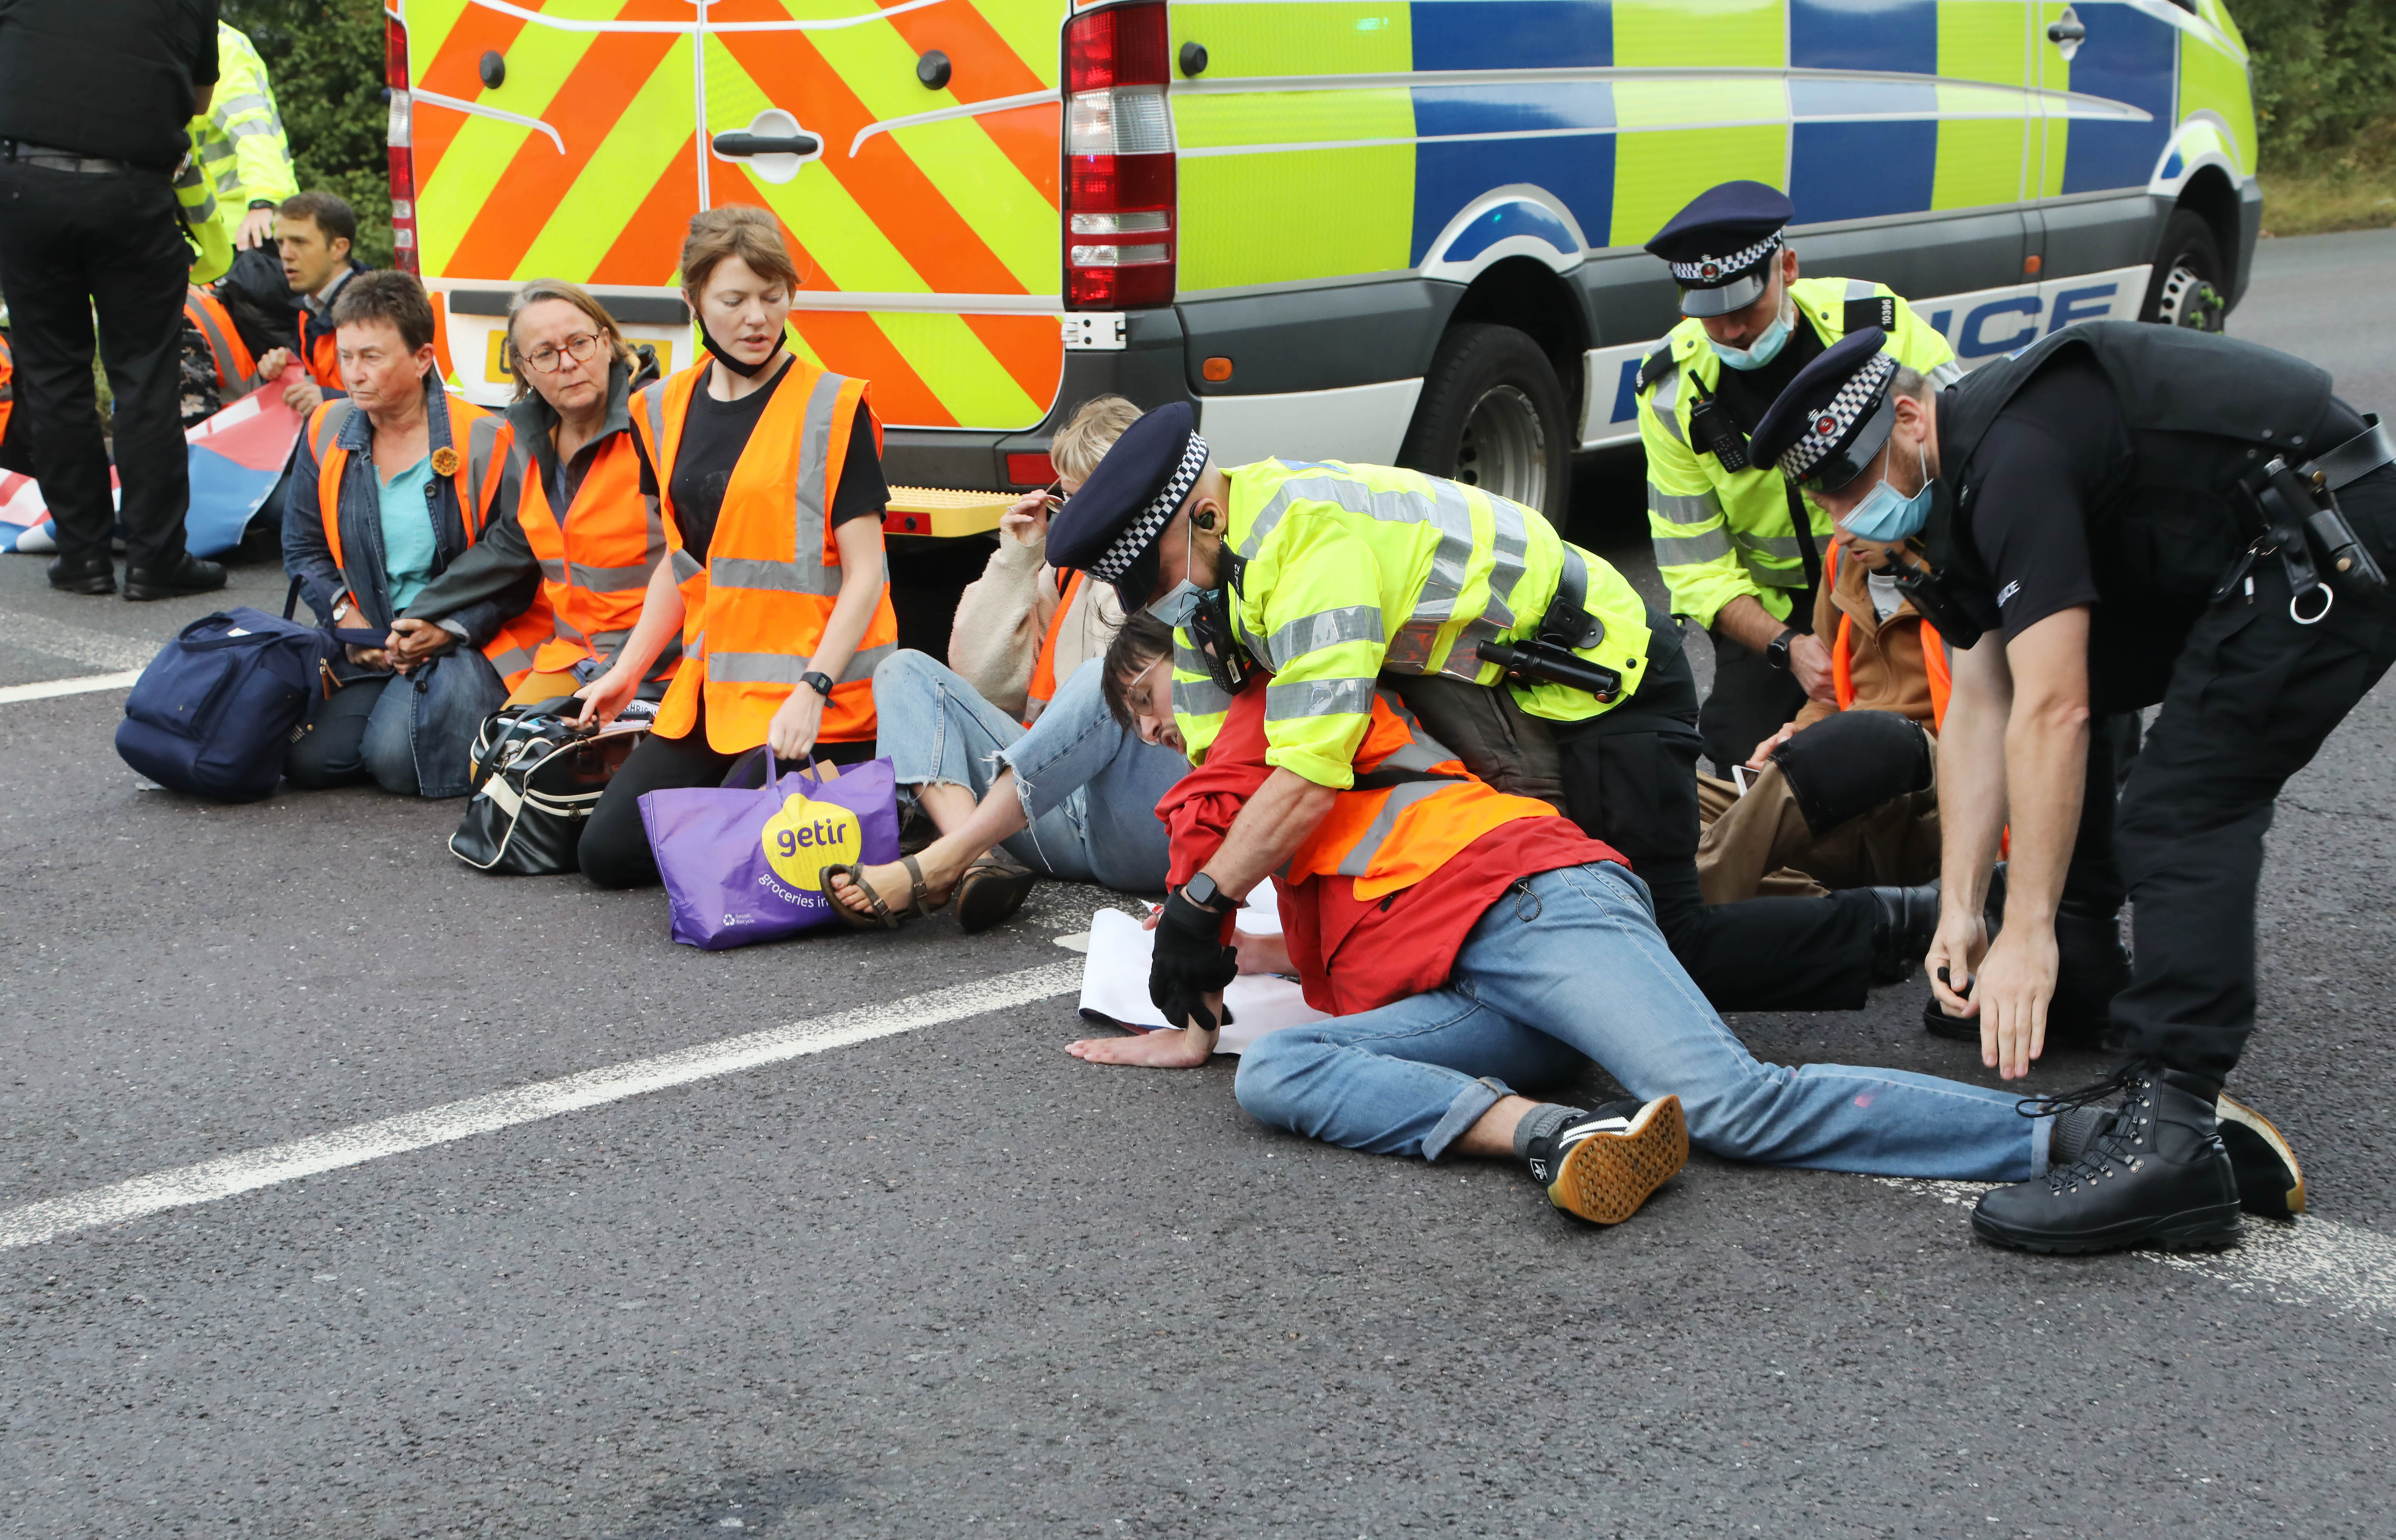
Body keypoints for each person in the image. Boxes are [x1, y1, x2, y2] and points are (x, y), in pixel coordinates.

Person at [1067, 614, 2079, 1229]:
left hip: (1536, 906)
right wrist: (1254, 951)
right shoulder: (1261, 748)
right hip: (1476, 976)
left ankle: (2067, 1135)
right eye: (1143, 725)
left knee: (1730, 1105)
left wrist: (1191, 994)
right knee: (1279, 1071)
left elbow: (1197, 836)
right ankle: (1559, 1136)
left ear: (1200, 668)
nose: (1158, 729)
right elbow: (1381, 889)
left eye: (1152, 698)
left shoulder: (1274, 711)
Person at [1746, 322, 2364, 1253]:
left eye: (1849, 479)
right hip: (2225, 541)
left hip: (2328, 529)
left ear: (1909, 418)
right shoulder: (1941, 492)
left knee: (2180, 802)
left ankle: (2173, 1139)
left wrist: (2024, 928)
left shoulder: (2011, 457)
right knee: (2068, 681)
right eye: (1823, 493)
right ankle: (2080, 969)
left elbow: (2051, 710)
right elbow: (1978, 708)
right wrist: (1962, 907)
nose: (1844, 513)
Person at [1045, 404, 1941, 1019]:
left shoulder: (1308, 548)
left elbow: (1307, 773)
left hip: (1608, 682)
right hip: (1516, 700)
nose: (1156, 601)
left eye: (1154, 573)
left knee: (1669, 944)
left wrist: (1210, 904)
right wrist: (1191, 900)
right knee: (1605, 907)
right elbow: (1221, 767)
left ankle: (1917, 926)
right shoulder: (1212, 572)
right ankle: (1847, 868)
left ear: (1200, 513)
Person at [571, 207, 899, 890]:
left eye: (772, 296)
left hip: (819, 700)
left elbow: (867, 574)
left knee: (732, 857)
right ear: (692, 301)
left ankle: (878, 799)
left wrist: (813, 688)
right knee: (607, 855)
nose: (758, 317)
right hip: (714, 692)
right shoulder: (658, 407)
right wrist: (626, 673)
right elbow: (682, 561)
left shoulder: (834, 407)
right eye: (734, 300)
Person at [1702, 532, 2133, 1048]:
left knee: (1871, 739)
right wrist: (1797, 733)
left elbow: (2045, 721)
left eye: (1853, 493)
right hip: (1843, 789)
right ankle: (1881, 917)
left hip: (1941, 800)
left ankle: (1676, 920)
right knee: (1665, 797)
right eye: (1829, 505)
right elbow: (1830, 700)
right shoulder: (1844, 558)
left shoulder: (1977, 558)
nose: (1842, 522)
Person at [822, 394, 1188, 932]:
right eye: (1068, 502)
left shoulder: (1177, 569)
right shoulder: (1068, 574)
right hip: (1055, 813)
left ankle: (945, 859)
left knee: (1105, 677)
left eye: (1089, 504)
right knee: (902, 671)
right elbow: (984, 685)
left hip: (1147, 826)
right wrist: (1018, 558)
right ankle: (971, 856)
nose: (1077, 523)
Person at [1636, 182, 1959, 775]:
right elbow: (1696, 568)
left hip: (1902, 571)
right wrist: (1794, 648)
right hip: (1775, 616)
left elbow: (1961, 445)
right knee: (1744, 760)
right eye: (1712, 318)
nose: (1732, 332)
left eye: (1745, 310)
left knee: (1931, 737)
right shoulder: (1670, 389)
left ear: (1786, 267)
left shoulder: (1878, 322)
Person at [281, 271, 548, 798]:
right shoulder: (327, 428)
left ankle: (428, 712)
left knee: (398, 764)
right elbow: (303, 548)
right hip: (370, 640)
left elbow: (520, 568)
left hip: (464, 643)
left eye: (372, 358)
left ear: (423, 359)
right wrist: (344, 617)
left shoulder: (487, 438)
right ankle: (397, 706)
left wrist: (446, 628)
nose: (353, 374)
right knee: (304, 759)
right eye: (346, 355)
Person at [0, 0, 227, 601]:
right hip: (133, 191)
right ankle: (156, 559)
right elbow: (200, 98)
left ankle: (83, 557)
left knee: (52, 375)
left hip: (30, 188)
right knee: (145, 378)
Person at [391, 279, 676, 708]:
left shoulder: (659, 422)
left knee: (576, 771)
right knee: (499, 764)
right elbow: (511, 542)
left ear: (608, 343)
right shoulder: (524, 436)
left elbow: (697, 557)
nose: (567, 363)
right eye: (544, 354)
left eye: (580, 343)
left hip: (666, 665)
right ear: (523, 369)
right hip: (577, 658)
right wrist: (424, 611)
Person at [186, 19, 294, 258]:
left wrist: (262, 202)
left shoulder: (220, 46)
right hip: (203, 231)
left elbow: (251, 130)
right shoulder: (164, 42)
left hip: (244, 231)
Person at [252, 190, 365, 419]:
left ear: (338, 248)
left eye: (299, 242)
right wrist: (282, 369)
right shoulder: (310, 308)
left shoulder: (376, 311)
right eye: (280, 243)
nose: (285, 254)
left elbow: (400, 400)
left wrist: (330, 400)